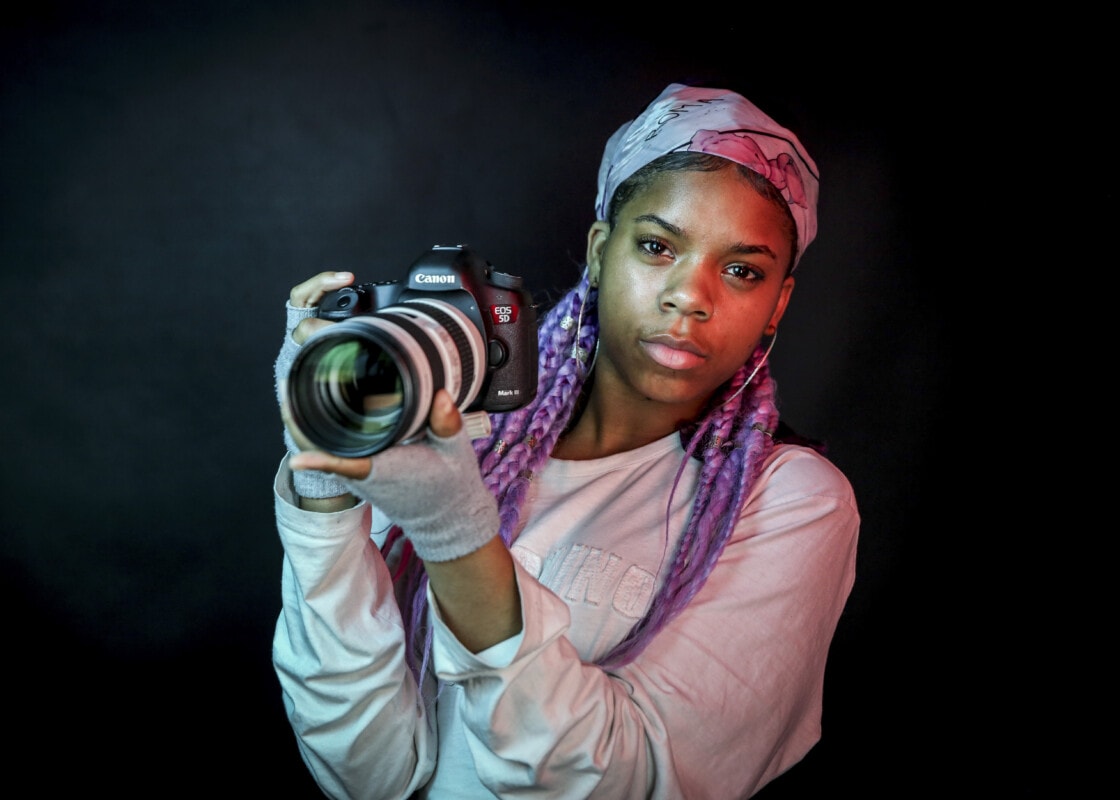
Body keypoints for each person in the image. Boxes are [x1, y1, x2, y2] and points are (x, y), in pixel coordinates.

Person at [270, 83, 860, 799]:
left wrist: (456, 535)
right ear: (601, 251)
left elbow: (631, 783)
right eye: (656, 246)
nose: (690, 296)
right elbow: (368, 774)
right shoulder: (459, 438)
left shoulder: (793, 503)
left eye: (741, 270)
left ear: (778, 305)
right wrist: (324, 482)